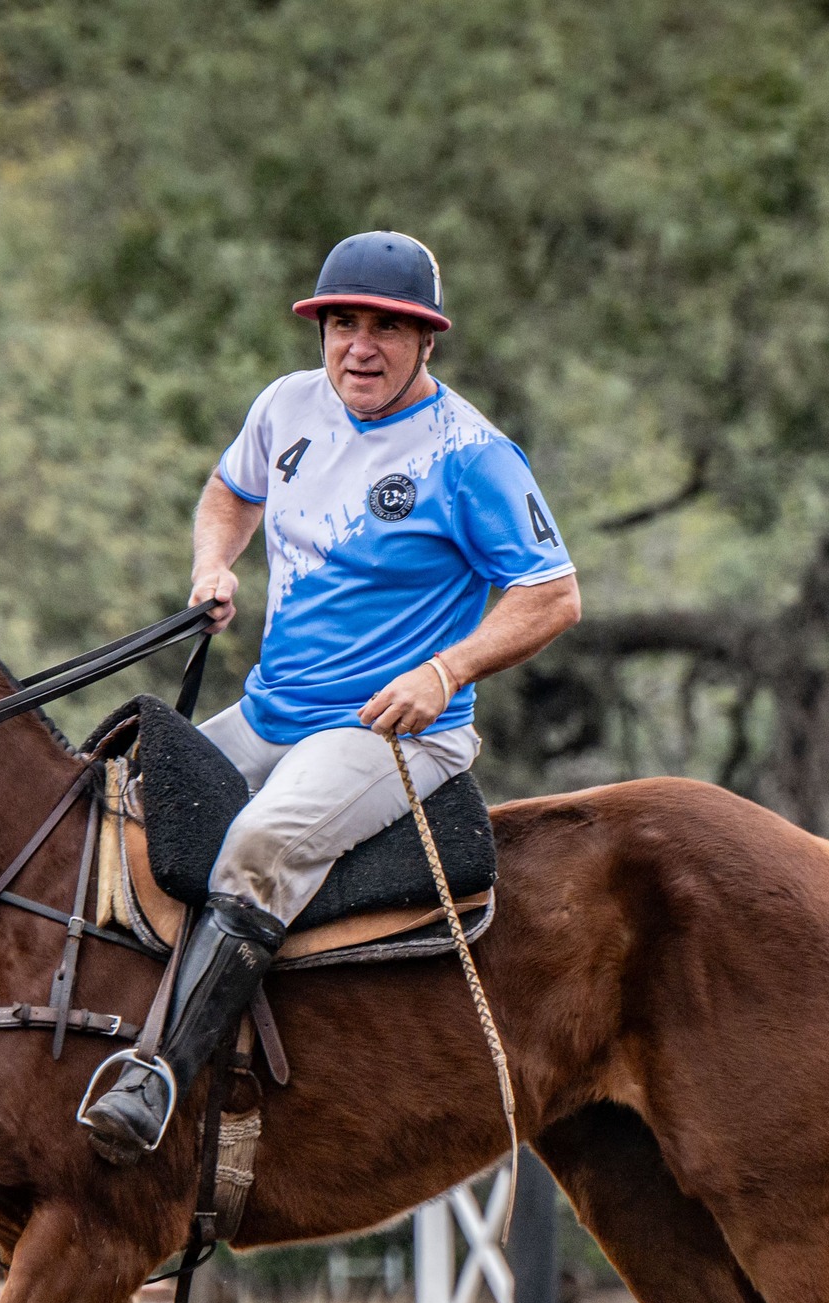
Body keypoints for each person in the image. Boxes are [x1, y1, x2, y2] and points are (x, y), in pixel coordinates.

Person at [80, 230, 581, 1161]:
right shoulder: (287, 407)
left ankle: (162, 1081)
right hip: (273, 709)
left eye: (388, 328)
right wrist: (213, 566)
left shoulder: (472, 456)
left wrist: (444, 672)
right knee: (107, 800)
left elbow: (553, 594)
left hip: (390, 735)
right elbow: (229, 495)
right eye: (343, 322)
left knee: (262, 842)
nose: (360, 346)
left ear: (426, 341)